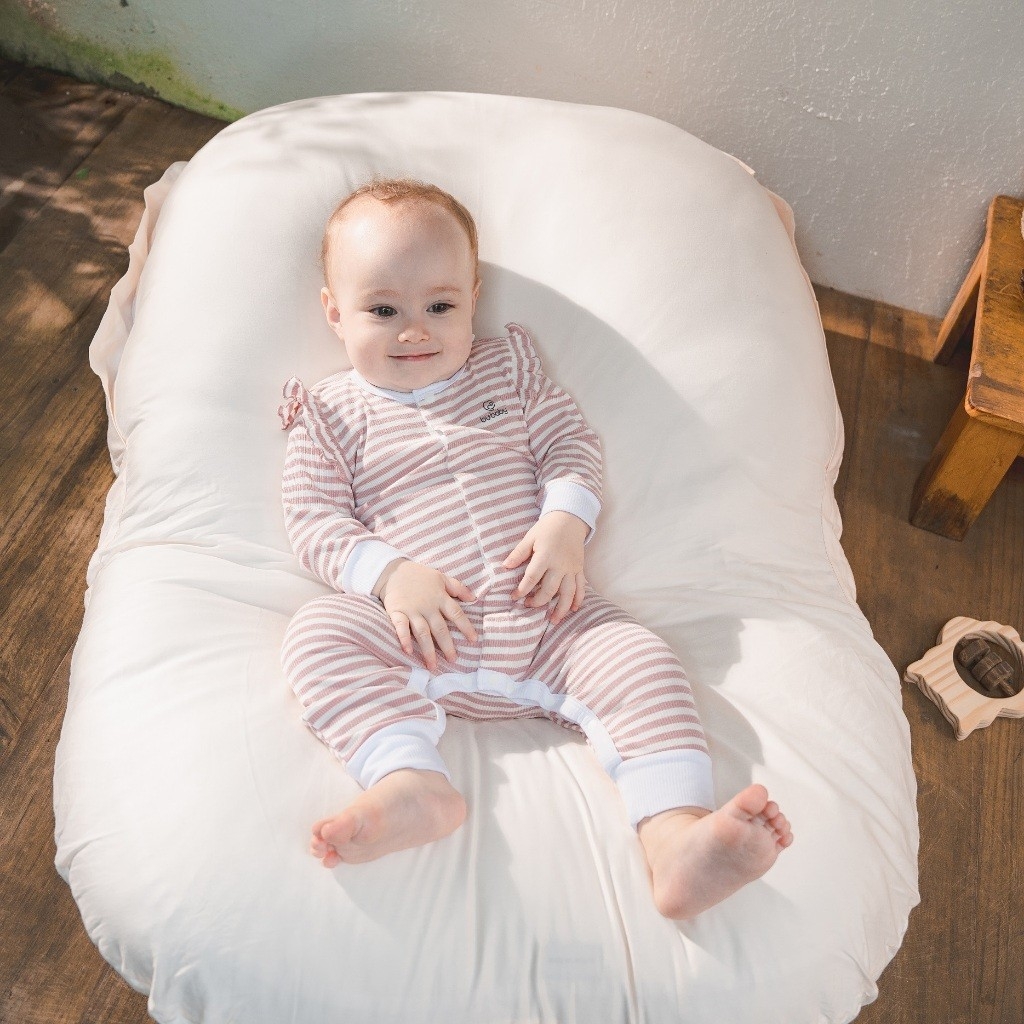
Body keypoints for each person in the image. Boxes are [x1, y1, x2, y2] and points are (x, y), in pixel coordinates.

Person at [278, 177, 792, 919]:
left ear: (473, 298)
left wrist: (564, 526)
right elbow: (313, 520)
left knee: (641, 661)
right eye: (383, 311)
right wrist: (390, 576)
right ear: (334, 313)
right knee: (317, 635)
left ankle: (676, 838)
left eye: (440, 307)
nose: (414, 331)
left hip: (550, 619)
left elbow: (569, 447)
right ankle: (409, 779)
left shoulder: (509, 371)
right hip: (421, 631)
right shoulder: (329, 413)